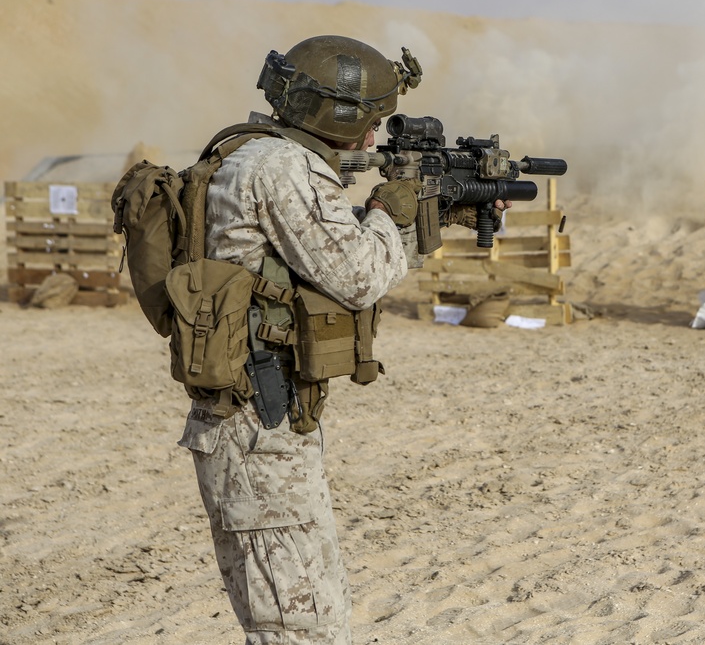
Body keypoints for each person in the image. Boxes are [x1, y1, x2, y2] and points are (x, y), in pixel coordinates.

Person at [174, 35, 509, 644]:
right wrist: (389, 208)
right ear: (341, 115)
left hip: (267, 423)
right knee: (299, 628)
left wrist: (421, 219)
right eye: (373, 121)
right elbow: (357, 275)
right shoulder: (281, 168)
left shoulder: (258, 156)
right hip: (258, 425)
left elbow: (315, 259)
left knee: (312, 616)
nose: (376, 139)